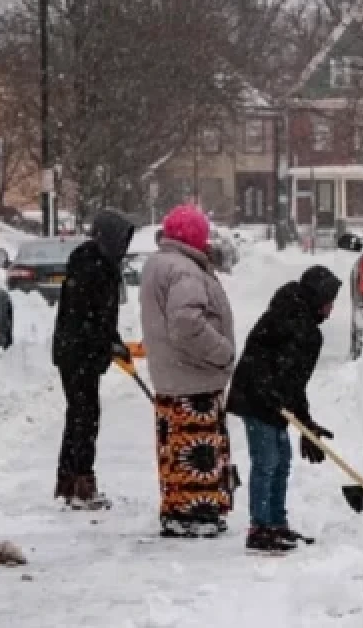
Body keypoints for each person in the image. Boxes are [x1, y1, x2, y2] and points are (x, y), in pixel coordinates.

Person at [227, 265, 342, 554]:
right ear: (316, 298)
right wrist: (270, 395)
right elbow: (261, 364)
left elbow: (295, 383)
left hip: (273, 400)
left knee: (281, 461)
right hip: (257, 399)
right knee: (266, 462)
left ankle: (276, 523)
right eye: (328, 302)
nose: (330, 310)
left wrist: (307, 425)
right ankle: (260, 527)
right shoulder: (286, 319)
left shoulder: (305, 327)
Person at [139, 204, 237, 538]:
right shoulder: (185, 271)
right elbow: (185, 323)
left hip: (171, 378)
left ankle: (177, 509)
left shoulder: (159, 265)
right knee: (198, 450)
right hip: (193, 378)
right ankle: (198, 513)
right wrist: (221, 352)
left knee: (175, 449)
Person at [52, 208, 136, 510]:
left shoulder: (97, 262)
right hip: (78, 353)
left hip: (79, 351)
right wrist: (106, 343)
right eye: (122, 239)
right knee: (84, 417)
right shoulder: (93, 266)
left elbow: (100, 318)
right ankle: (80, 484)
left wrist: (113, 342)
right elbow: (88, 317)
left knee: (79, 415)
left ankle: (69, 480)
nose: (124, 247)